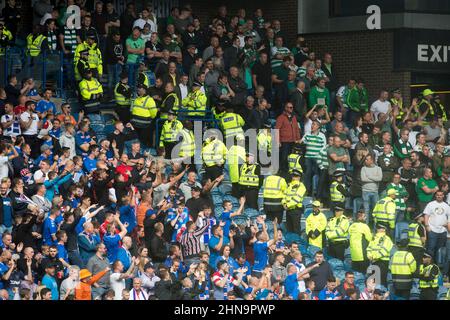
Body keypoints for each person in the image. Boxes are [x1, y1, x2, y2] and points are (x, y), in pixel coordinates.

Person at [423, 190, 450, 260]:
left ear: (443, 196)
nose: (439, 196)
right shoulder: (431, 204)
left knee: (439, 250)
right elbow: (426, 215)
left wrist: (447, 226)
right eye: (438, 195)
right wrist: (427, 226)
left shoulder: (446, 206)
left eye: (441, 195)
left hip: (443, 231)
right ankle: (429, 265)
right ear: (435, 195)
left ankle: (436, 265)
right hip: (432, 230)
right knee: (430, 249)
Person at [282, 169, 306, 234]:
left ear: (299, 177)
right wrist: (284, 203)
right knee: (289, 229)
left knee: (296, 230)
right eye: (293, 176)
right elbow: (284, 195)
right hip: (288, 210)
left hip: (296, 210)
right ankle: (290, 243)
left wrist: (287, 205)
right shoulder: (289, 185)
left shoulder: (301, 186)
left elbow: (296, 199)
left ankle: (297, 243)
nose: (294, 178)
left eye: (295, 176)